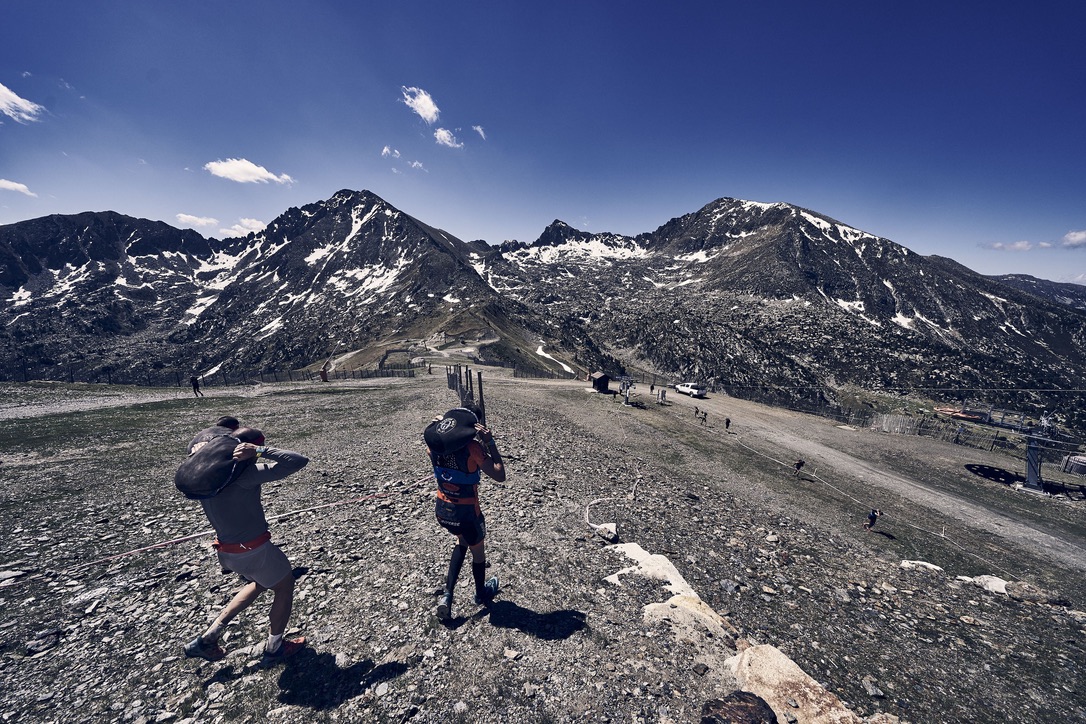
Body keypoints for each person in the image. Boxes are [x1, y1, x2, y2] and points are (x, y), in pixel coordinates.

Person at [183, 426, 310, 664]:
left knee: (260, 583)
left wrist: (201, 453)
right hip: (254, 550)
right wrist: (260, 451)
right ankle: (275, 648)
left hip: (227, 551)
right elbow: (298, 461)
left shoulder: (211, 475)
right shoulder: (245, 475)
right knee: (284, 585)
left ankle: (209, 637)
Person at [424, 406, 506, 621]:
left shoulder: (434, 448)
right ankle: (481, 593)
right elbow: (499, 474)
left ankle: (447, 595)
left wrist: (439, 426)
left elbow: (438, 437)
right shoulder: (473, 448)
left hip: (443, 509)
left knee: (461, 542)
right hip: (467, 512)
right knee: (478, 553)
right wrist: (490, 442)